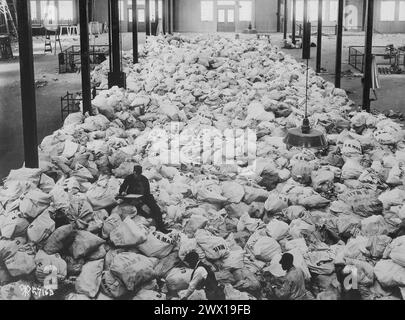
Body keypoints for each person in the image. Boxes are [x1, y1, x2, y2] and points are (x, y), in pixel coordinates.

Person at [118, 165, 169, 233]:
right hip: (131, 197)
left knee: (156, 209)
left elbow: (147, 192)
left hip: (143, 197)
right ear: (134, 172)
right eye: (136, 174)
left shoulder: (144, 179)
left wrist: (143, 201)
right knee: (141, 211)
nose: (137, 176)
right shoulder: (129, 178)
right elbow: (122, 188)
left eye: (139, 174)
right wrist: (122, 192)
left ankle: (162, 228)